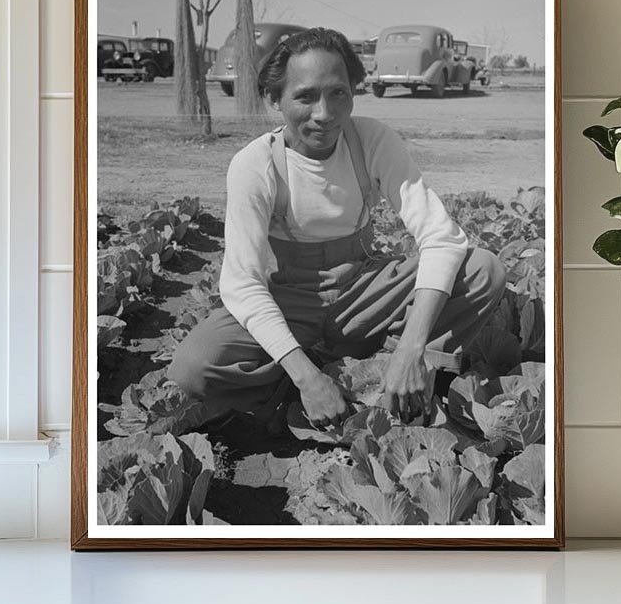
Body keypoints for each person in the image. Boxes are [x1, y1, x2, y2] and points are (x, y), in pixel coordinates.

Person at [169, 28, 507, 428]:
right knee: (192, 367)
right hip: (289, 298)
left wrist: (412, 348)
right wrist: (307, 377)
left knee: (483, 270)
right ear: (274, 98)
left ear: (353, 91)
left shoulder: (371, 140)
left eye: (338, 93)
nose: (325, 114)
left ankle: (403, 373)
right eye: (305, 96)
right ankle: (303, 380)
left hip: (363, 290)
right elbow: (242, 283)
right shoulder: (254, 164)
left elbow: (440, 237)